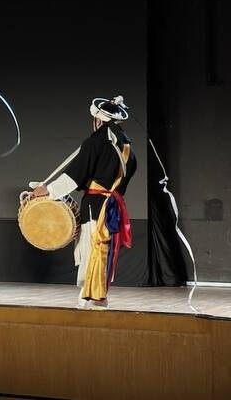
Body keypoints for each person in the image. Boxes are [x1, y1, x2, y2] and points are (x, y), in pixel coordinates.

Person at [30, 95, 137, 309]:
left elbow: (75, 175)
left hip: (96, 206)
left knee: (92, 249)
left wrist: (47, 190)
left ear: (97, 120)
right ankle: (98, 296)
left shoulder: (95, 142)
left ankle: (89, 298)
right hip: (112, 207)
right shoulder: (128, 149)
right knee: (103, 250)